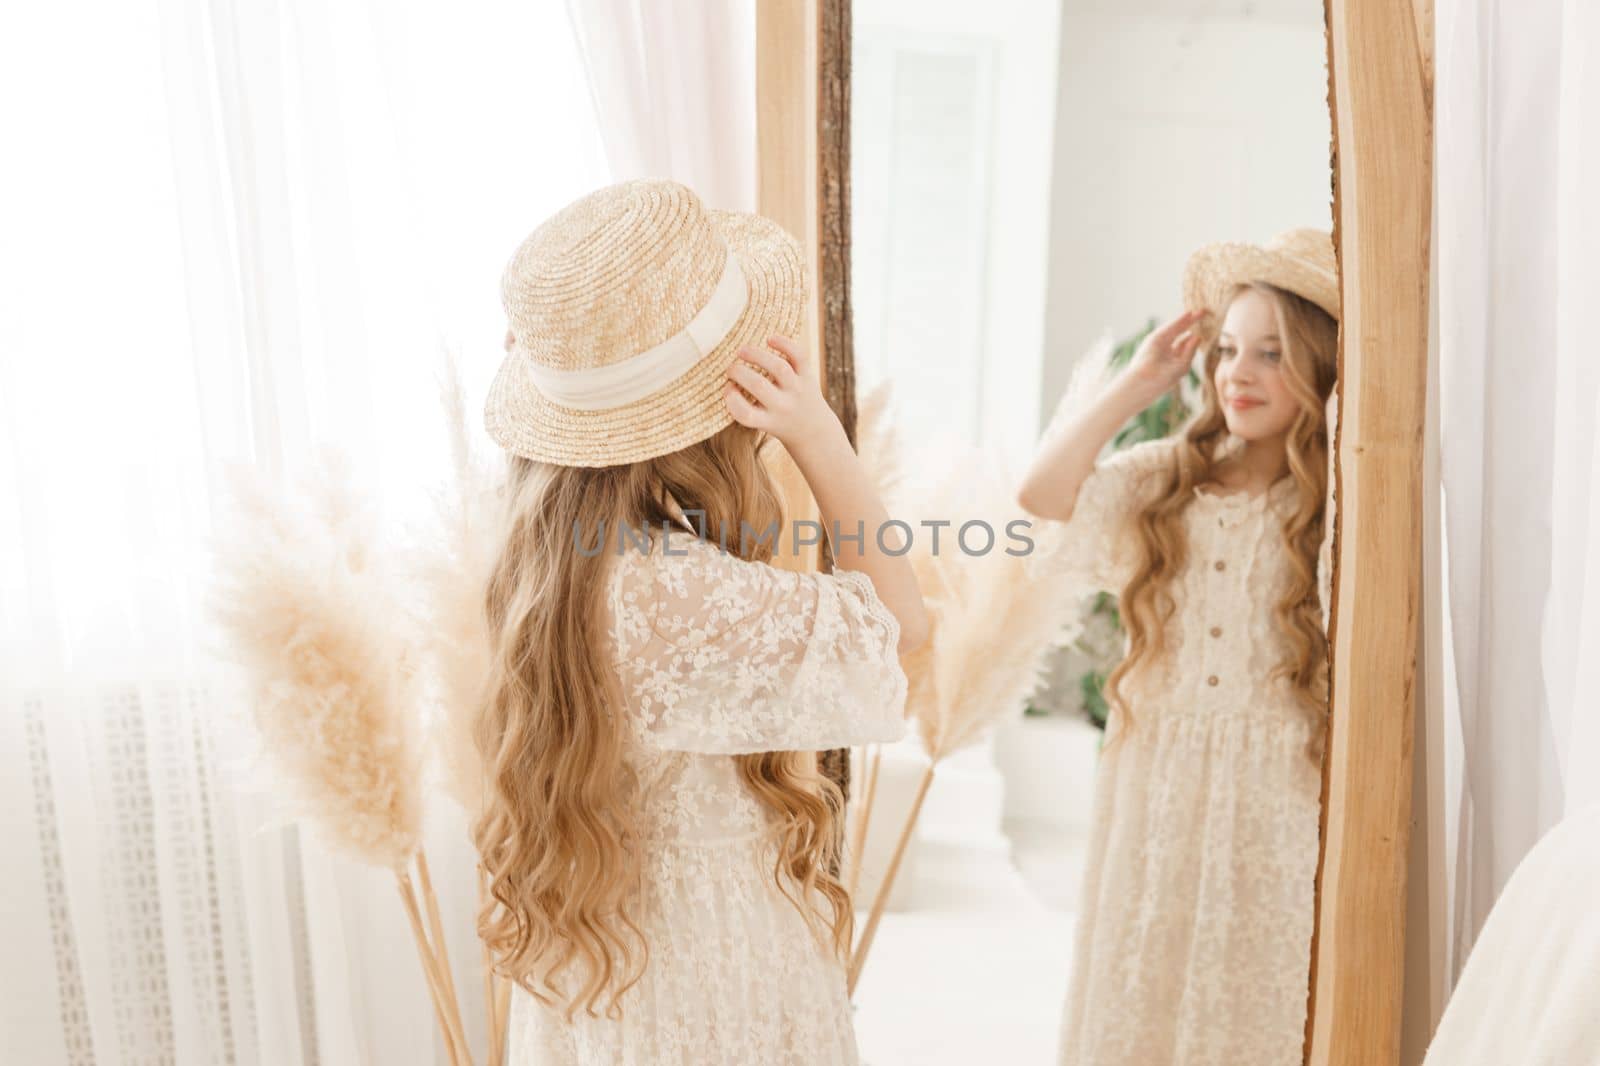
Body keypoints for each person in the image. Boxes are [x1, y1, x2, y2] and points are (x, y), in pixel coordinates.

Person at [471, 178, 929, 1066]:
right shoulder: (682, 595)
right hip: (707, 966)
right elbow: (900, 626)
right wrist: (822, 439)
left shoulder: (542, 565)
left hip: (601, 963)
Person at [1017, 229, 1340, 1066]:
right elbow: (1042, 493)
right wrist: (1136, 385)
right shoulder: (1171, 477)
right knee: (1143, 980)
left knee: (1251, 988)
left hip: (1275, 786)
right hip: (1159, 774)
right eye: (1229, 349)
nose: (1240, 372)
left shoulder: (1337, 504)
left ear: (1319, 364)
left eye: (1272, 353)